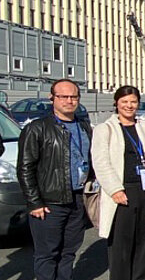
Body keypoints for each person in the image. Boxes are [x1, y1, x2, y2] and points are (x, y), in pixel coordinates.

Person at [91, 86, 145, 280]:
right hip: (122, 192)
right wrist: (114, 189)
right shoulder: (105, 129)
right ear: (116, 103)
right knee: (122, 242)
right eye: (124, 102)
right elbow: (101, 162)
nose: (129, 106)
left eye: (133, 102)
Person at [17, 79, 92, 280]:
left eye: (73, 96)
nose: (69, 101)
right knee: (47, 255)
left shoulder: (84, 127)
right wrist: (34, 203)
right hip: (49, 202)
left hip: (77, 199)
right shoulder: (37, 128)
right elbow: (25, 168)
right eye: (63, 96)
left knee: (68, 252)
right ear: (52, 98)